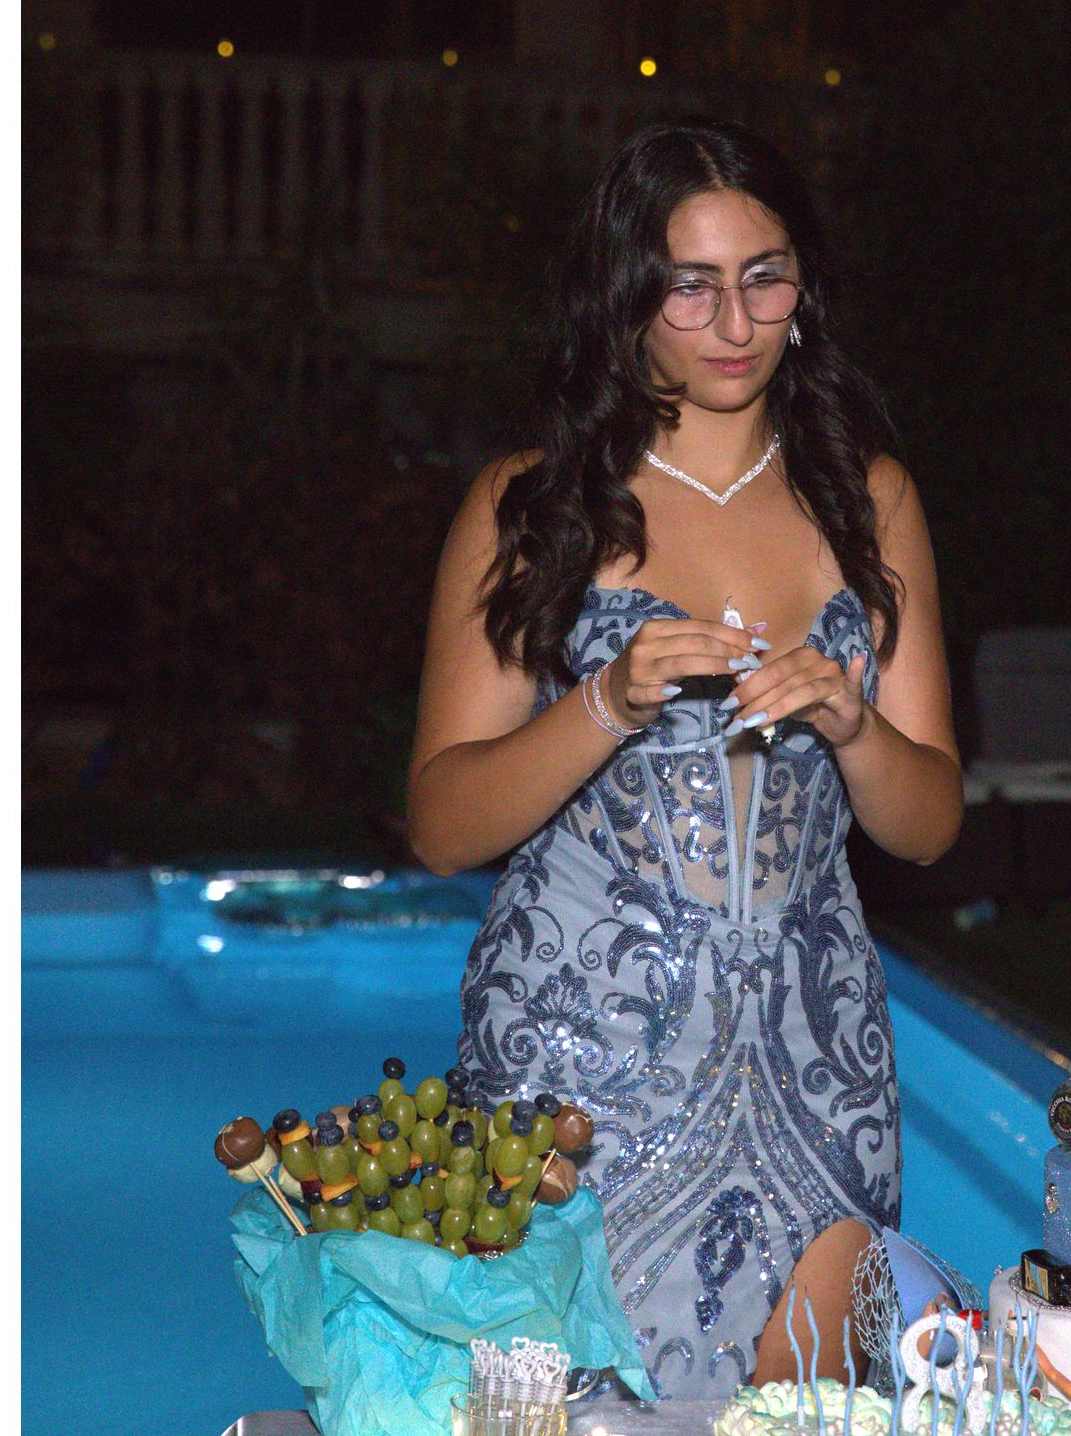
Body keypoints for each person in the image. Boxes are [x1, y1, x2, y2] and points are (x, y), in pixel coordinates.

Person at [407, 117, 963, 1396]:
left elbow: (930, 824)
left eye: (765, 278)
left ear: (803, 290)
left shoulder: (867, 499)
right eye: (689, 285)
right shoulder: (531, 505)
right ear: (624, 297)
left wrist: (852, 724)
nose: (734, 322)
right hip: (576, 1067)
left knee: (803, 1412)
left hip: (811, 1057)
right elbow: (441, 825)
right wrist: (605, 701)